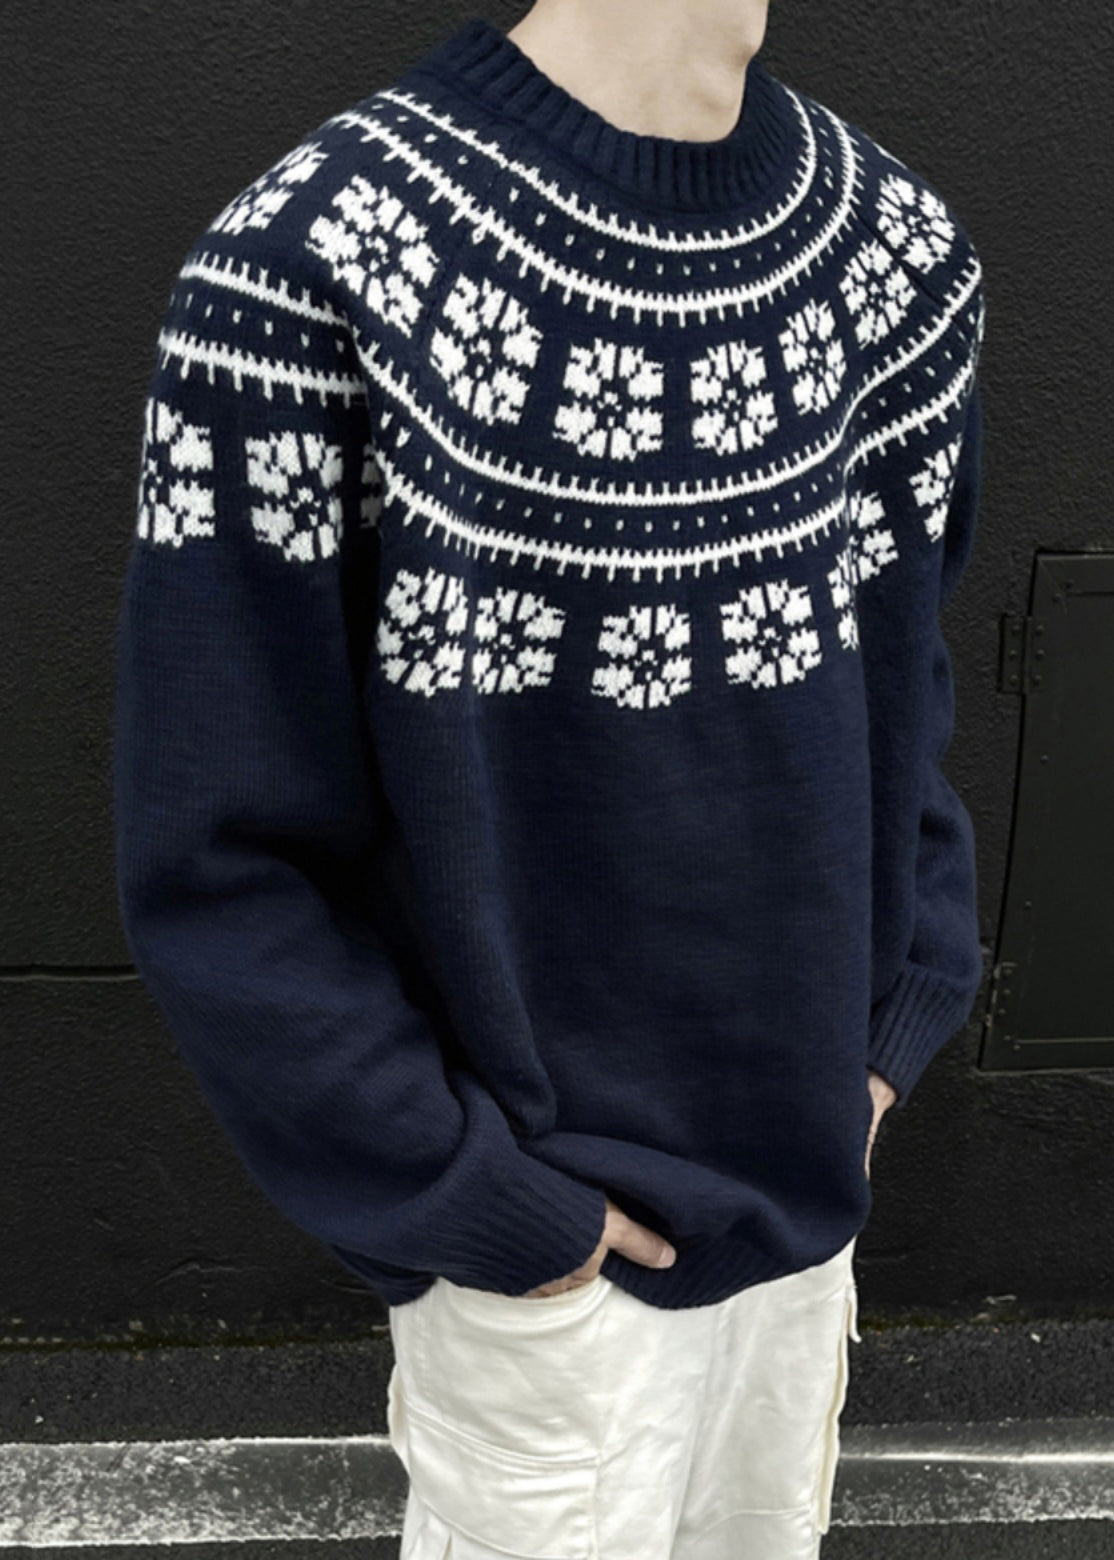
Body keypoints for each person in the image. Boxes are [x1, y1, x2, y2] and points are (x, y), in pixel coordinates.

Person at [113, 0, 986, 1554]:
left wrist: (887, 1029)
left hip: (805, 1215)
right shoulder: (315, 263)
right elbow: (220, 851)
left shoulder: (895, 254)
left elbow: (900, 687)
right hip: (542, 1273)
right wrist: (467, 1196)